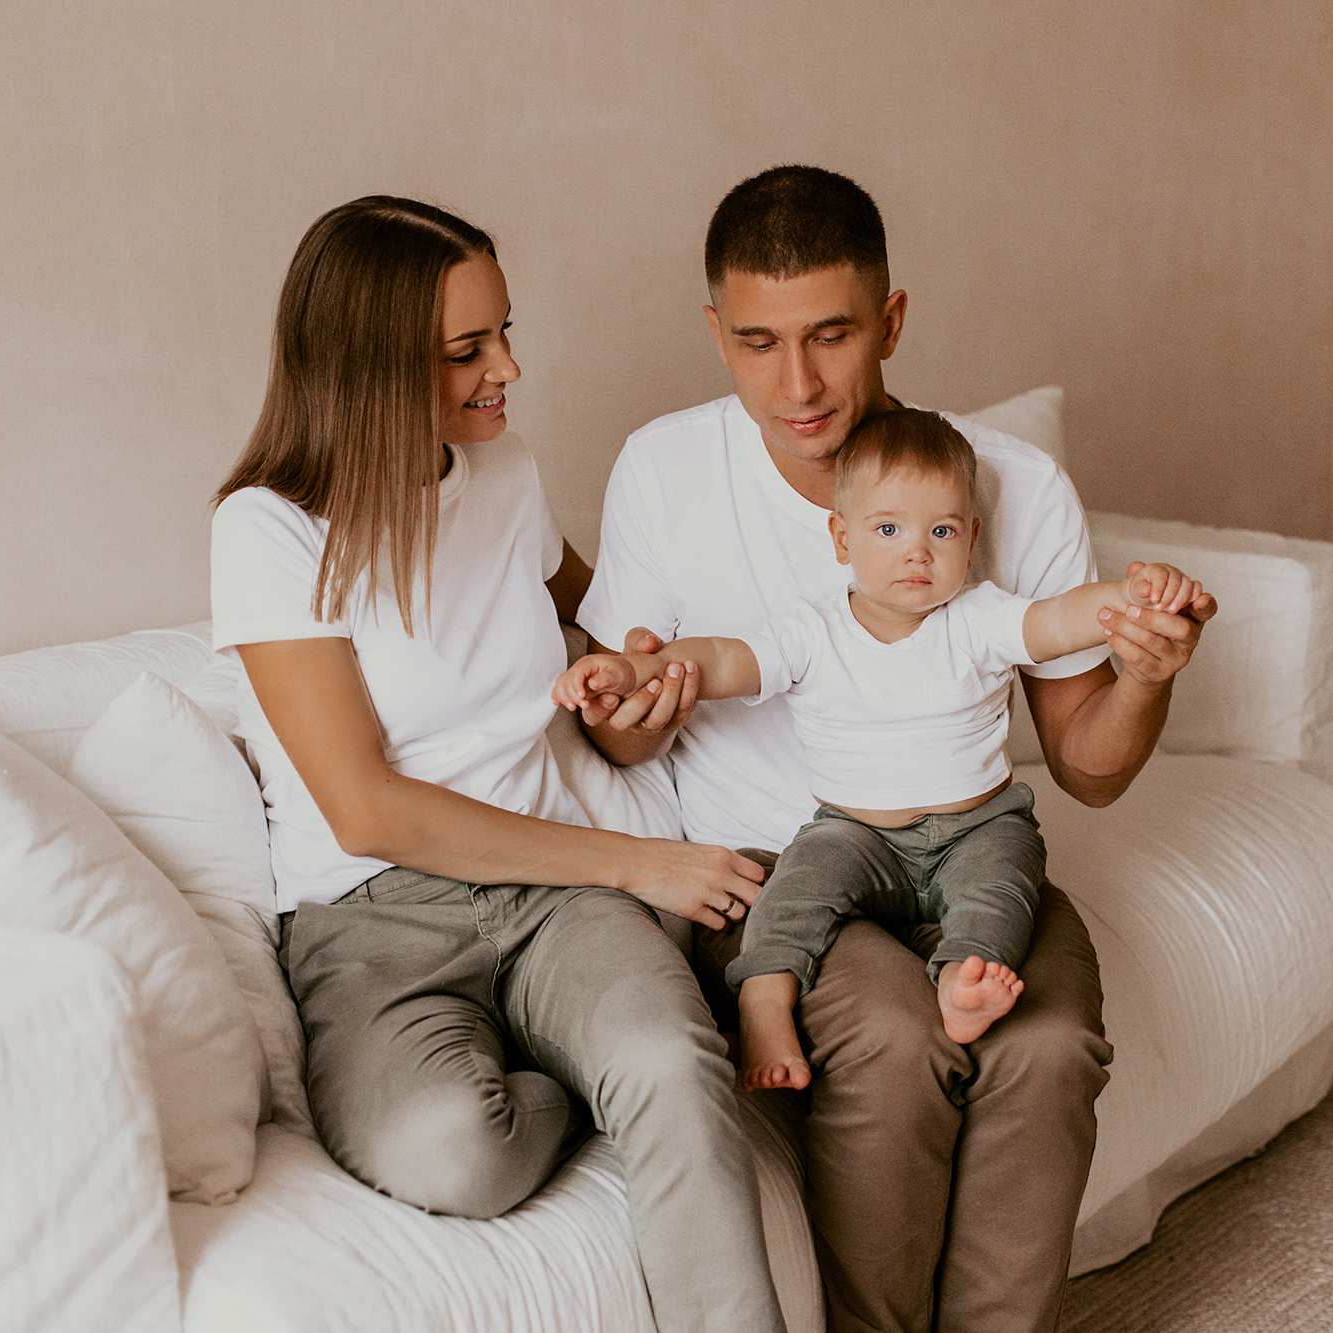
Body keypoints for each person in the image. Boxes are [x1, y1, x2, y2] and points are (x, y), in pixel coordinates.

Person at [576, 166, 1216, 1333]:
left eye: (830, 334)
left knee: (1052, 1039)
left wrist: (1142, 674)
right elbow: (622, 735)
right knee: (891, 1027)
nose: (798, 382)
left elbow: (1090, 767)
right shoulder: (664, 470)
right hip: (783, 874)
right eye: (758, 342)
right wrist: (635, 709)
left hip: (965, 844)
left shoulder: (1006, 486)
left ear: (892, 320)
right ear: (714, 334)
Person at [208, 196, 787, 1333]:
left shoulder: (505, 471)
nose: (507, 368)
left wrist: (629, 670)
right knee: (457, 1150)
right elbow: (368, 810)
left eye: (502, 332)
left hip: (558, 902)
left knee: (670, 1067)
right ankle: (568, 1068)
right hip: (376, 921)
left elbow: (606, 620)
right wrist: (638, 866)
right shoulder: (268, 531)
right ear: (372, 367)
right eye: (466, 351)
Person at [555, 409, 1203, 1090]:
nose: (916, 552)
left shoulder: (981, 618)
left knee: (1006, 885)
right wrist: (638, 671)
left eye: (942, 531)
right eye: (888, 529)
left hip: (975, 828)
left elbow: (1059, 617)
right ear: (842, 538)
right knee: (792, 892)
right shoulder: (813, 631)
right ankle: (764, 1002)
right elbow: (721, 657)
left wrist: (1132, 597)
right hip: (854, 833)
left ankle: (963, 982)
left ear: (972, 537)